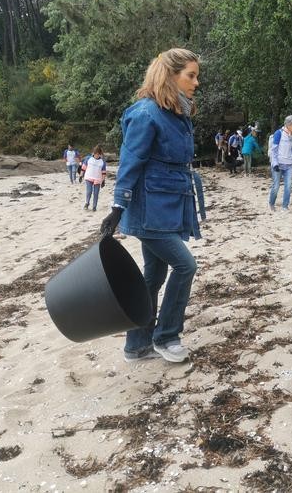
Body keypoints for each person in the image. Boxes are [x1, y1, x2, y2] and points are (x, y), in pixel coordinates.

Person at [99, 48, 205, 363]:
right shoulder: (145, 113)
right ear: (170, 75)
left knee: (154, 275)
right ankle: (166, 336)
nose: (196, 83)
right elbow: (131, 162)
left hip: (169, 205)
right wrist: (118, 207)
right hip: (149, 210)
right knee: (186, 265)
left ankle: (136, 345)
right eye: (191, 75)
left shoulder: (176, 114)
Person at [268, 115, 292, 212]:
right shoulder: (279, 133)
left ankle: (285, 206)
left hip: (289, 165)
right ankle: (271, 203)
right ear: (289, 125)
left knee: (288, 186)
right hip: (278, 165)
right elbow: (274, 151)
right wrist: (275, 164)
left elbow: (289, 150)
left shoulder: (291, 135)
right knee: (276, 186)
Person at [81, 145, 106, 211]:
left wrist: (103, 181)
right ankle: (87, 203)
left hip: (98, 179)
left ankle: (94, 206)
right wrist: (81, 175)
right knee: (89, 191)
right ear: (93, 153)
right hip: (89, 177)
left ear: (100, 154)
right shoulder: (88, 159)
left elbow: (103, 172)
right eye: (95, 154)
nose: (96, 155)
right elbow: (83, 168)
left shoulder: (102, 161)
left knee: (96, 193)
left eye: (98, 154)